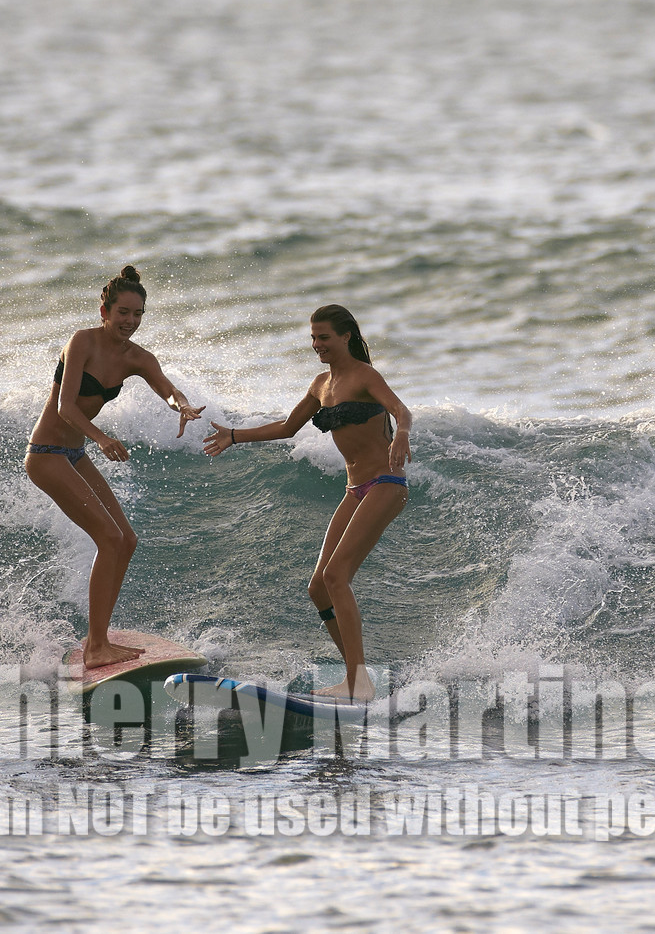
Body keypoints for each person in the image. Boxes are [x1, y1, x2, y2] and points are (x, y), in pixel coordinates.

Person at [203, 305, 410, 700]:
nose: (317, 345)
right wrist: (234, 435)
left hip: (386, 483)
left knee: (337, 577)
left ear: (346, 336)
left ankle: (358, 681)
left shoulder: (365, 376)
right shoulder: (321, 385)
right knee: (318, 587)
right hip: (355, 490)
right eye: (313, 338)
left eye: (324, 337)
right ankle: (357, 675)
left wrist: (401, 433)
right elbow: (286, 427)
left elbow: (401, 410)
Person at [25, 266, 203, 669]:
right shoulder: (82, 342)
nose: (130, 321)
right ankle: (96, 646)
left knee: (126, 538)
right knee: (108, 537)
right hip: (46, 453)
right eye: (123, 312)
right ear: (104, 310)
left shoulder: (137, 358)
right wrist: (102, 437)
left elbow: (166, 389)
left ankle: (98, 637)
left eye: (138, 314)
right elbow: (65, 407)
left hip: (73, 454)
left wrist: (183, 405)